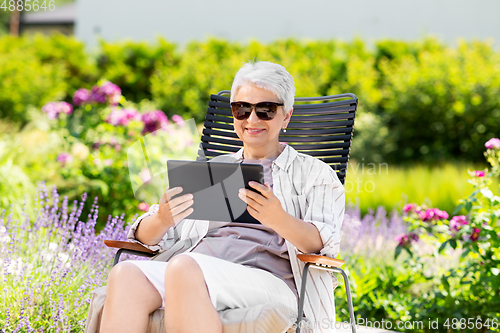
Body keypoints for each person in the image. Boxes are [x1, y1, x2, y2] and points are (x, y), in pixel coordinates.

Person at [99, 61, 345, 333]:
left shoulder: (315, 174)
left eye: (265, 110)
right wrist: (161, 218)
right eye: (242, 109)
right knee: (126, 274)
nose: (251, 120)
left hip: (270, 281)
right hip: (199, 270)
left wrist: (278, 219)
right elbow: (147, 239)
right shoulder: (212, 171)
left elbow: (323, 245)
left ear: (285, 116)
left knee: (184, 267)